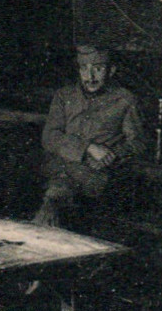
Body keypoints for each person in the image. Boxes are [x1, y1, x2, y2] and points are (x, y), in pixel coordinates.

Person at [34, 45, 151, 228]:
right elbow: (50, 136)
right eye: (84, 69)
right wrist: (88, 147)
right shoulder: (64, 96)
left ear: (110, 71)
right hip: (59, 170)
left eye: (98, 69)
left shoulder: (125, 99)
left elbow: (138, 142)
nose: (90, 77)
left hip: (97, 177)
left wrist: (111, 154)